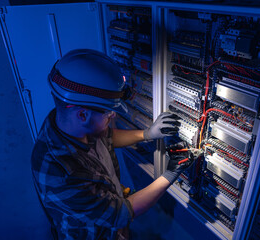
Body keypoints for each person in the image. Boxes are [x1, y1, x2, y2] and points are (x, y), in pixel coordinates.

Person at [31, 49, 197, 240]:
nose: (114, 116)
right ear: (83, 115)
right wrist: (170, 173)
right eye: (108, 113)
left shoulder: (68, 124)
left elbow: (107, 136)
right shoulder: (59, 172)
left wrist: (147, 133)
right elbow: (121, 214)